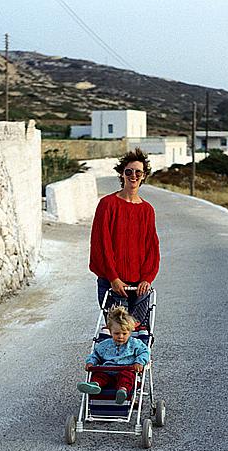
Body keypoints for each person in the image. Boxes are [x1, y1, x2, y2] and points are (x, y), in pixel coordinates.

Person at [89, 147, 160, 322]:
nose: (133, 175)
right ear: (121, 174)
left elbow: (152, 247)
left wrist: (147, 278)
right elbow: (101, 243)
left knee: (139, 337)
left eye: (138, 172)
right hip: (112, 284)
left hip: (140, 287)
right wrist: (113, 278)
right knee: (116, 336)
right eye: (128, 171)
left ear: (144, 176)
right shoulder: (107, 204)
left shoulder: (147, 210)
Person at [77, 306, 150, 404]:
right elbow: (95, 354)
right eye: (116, 333)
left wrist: (139, 362)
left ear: (130, 332)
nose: (120, 336)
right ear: (110, 332)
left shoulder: (135, 344)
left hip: (125, 369)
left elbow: (145, 352)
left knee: (127, 377)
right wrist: (90, 362)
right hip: (107, 370)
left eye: (124, 333)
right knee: (99, 375)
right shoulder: (105, 345)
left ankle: (122, 391)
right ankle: (95, 385)